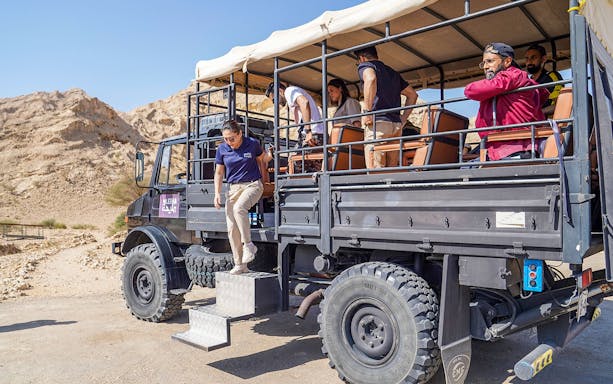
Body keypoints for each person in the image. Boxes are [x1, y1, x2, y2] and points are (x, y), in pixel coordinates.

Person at [464, 43, 549, 161]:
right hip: (498, 148)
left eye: (490, 61)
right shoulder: (499, 85)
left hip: (516, 148)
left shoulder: (514, 75)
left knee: (464, 173)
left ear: (507, 62)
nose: (485, 66)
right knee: (463, 170)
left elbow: (471, 90)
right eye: (483, 63)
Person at [214, 120, 272, 274]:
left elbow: (263, 159)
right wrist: (216, 194)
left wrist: (271, 155)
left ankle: (249, 245)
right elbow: (219, 173)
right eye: (225, 139)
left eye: (231, 138)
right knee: (232, 228)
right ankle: (240, 265)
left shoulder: (252, 144)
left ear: (240, 133)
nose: (229, 142)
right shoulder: (222, 149)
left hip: (252, 185)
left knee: (240, 208)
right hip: (233, 189)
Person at [355, 46, 418, 169]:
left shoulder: (366, 66)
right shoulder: (392, 72)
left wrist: (367, 112)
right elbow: (412, 95)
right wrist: (403, 119)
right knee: (391, 171)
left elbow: (371, 78)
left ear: (362, 58)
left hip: (378, 124)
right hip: (395, 126)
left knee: (376, 170)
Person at [265, 82, 324, 147]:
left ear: (280, 91)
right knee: (292, 156)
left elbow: (304, 102)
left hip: (313, 134)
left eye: (274, 100)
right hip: (314, 134)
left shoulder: (289, 91)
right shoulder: (292, 93)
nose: (275, 103)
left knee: (293, 156)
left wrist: (308, 131)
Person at [524, 44, 563, 115]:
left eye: (533, 57)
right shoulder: (526, 82)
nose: (529, 62)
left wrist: (537, 114)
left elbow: (559, 104)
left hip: (550, 122)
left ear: (543, 59)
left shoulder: (552, 77)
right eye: (527, 58)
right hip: (531, 122)